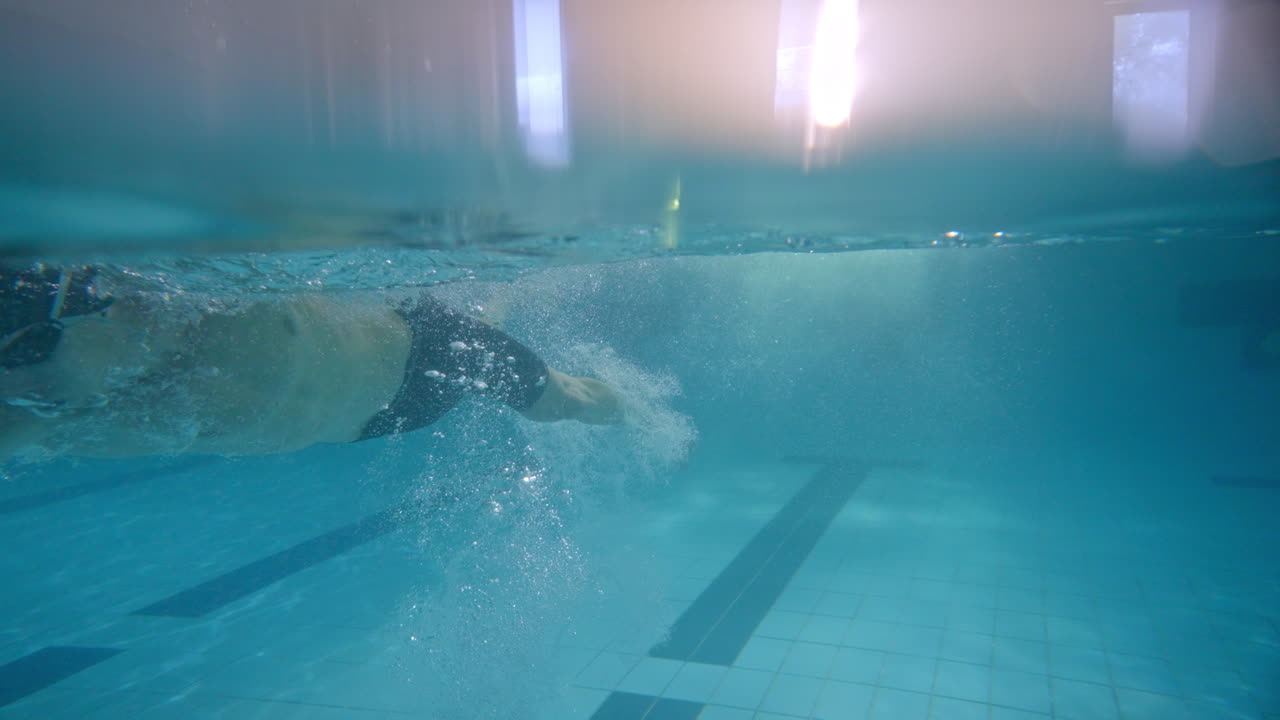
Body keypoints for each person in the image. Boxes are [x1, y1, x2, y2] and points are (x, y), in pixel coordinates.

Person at [0, 265, 625, 460]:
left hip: (409, 354)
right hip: (358, 411)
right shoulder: (459, 341)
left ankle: (646, 415)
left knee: (559, 403)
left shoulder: (142, 299)